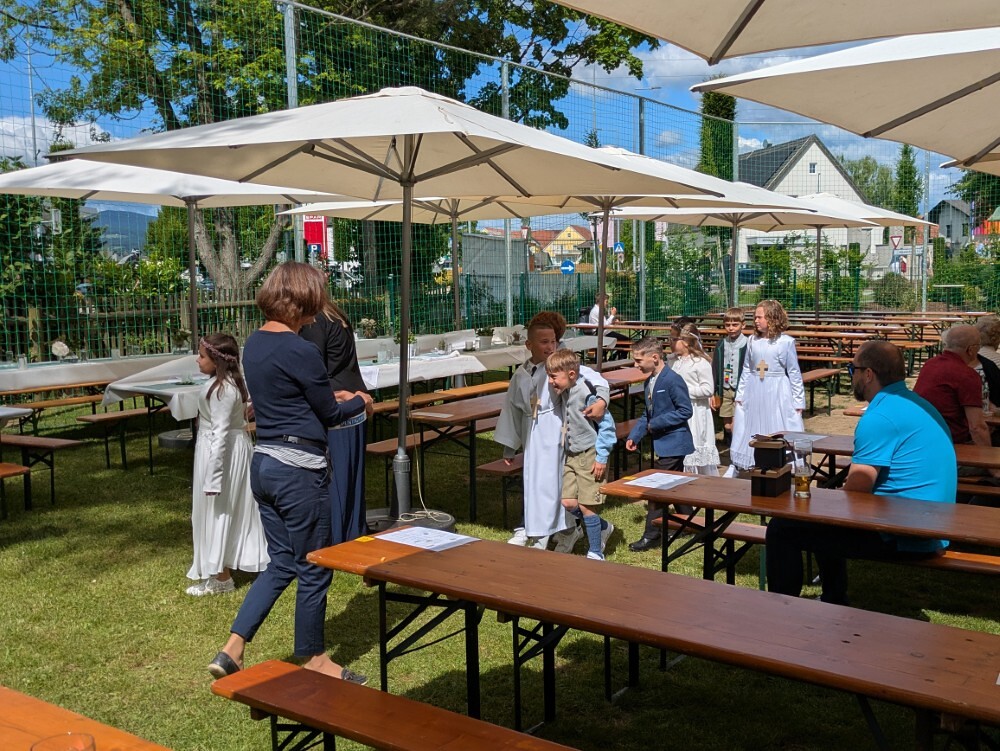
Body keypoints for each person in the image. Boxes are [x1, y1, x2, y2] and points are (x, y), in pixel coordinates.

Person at [207, 261, 373, 683]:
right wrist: (360, 400)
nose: (319, 309)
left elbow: (289, 398)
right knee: (315, 565)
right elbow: (331, 415)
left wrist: (332, 398)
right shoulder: (302, 350)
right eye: (316, 298)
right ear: (302, 301)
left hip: (264, 464)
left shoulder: (255, 344)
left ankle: (232, 648)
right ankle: (315, 659)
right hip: (299, 471)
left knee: (282, 562)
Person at [765, 341, 957, 605]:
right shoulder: (917, 404)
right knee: (824, 520)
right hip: (933, 525)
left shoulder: (880, 417)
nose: (850, 374)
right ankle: (833, 598)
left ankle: (781, 610)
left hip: (909, 536)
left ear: (868, 374)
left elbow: (856, 492)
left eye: (851, 369)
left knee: (782, 528)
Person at [495, 312, 610, 550]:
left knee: (553, 486)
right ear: (529, 345)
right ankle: (558, 529)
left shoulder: (560, 366)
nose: (550, 347)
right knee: (536, 485)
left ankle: (548, 534)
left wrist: (601, 400)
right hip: (532, 433)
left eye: (553, 341)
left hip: (554, 431)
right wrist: (509, 446)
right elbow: (512, 408)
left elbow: (595, 380)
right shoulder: (521, 373)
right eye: (544, 342)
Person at [186, 333, 269, 596]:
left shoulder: (222, 390)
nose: (197, 360)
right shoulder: (228, 384)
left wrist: (213, 477)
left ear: (217, 361)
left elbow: (220, 433)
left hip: (221, 454)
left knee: (219, 511)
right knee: (227, 509)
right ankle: (222, 567)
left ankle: (221, 577)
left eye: (202, 356)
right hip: (227, 449)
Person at [299, 299, 370, 544]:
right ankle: (353, 533)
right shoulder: (334, 314)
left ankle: (337, 540)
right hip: (354, 401)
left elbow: (314, 370)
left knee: (336, 480)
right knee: (351, 479)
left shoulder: (314, 321)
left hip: (339, 404)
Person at [625, 336, 694, 552]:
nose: (636, 364)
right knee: (675, 485)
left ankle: (652, 535)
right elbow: (647, 414)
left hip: (675, 443)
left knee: (657, 489)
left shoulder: (672, 380)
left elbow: (685, 410)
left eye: (638, 360)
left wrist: (656, 424)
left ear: (654, 357)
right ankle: (691, 523)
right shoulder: (650, 381)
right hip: (664, 444)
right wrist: (635, 436)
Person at [546, 348, 616, 560]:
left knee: (587, 505)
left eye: (553, 377)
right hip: (572, 453)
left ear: (571, 374)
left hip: (590, 454)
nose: (550, 381)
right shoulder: (566, 389)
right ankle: (603, 526)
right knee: (568, 502)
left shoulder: (587, 394)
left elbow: (607, 427)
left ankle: (595, 551)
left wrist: (601, 457)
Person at [726, 300, 804, 475]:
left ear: (772, 318)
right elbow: (747, 368)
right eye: (755, 317)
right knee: (752, 425)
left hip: (777, 391)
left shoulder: (785, 342)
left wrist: (798, 401)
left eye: (759, 317)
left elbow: (794, 373)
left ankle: (783, 462)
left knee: (777, 422)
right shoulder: (752, 340)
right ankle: (750, 462)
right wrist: (740, 395)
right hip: (754, 390)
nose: (756, 321)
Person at [913, 325, 994, 449]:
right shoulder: (966, 374)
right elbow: (976, 427)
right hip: (951, 443)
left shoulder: (929, 364)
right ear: (971, 350)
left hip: (921, 438)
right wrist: (990, 459)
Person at [672, 324, 720, 476]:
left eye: (674, 339)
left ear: (686, 342)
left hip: (695, 411)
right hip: (679, 409)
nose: (670, 342)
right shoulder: (675, 361)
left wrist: (683, 392)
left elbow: (708, 389)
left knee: (694, 441)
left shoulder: (700, 363)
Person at [710, 307, 748, 446]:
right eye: (728, 325)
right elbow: (715, 366)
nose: (731, 328)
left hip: (740, 388)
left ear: (743, 325)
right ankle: (731, 439)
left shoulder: (748, 343)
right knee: (727, 423)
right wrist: (713, 390)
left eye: (735, 325)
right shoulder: (721, 344)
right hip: (725, 387)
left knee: (737, 421)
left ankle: (737, 445)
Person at [587, 292, 629, 358]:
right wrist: (612, 315)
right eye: (606, 301)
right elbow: (604, 325)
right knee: (626, 340)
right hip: (602, 334)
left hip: (603, 332)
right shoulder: (597, 311)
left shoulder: (597, 310)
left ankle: (615, 356)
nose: (607, 303)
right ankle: (621, 359)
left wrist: (612, 322)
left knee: (623, 340)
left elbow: (604, 323)